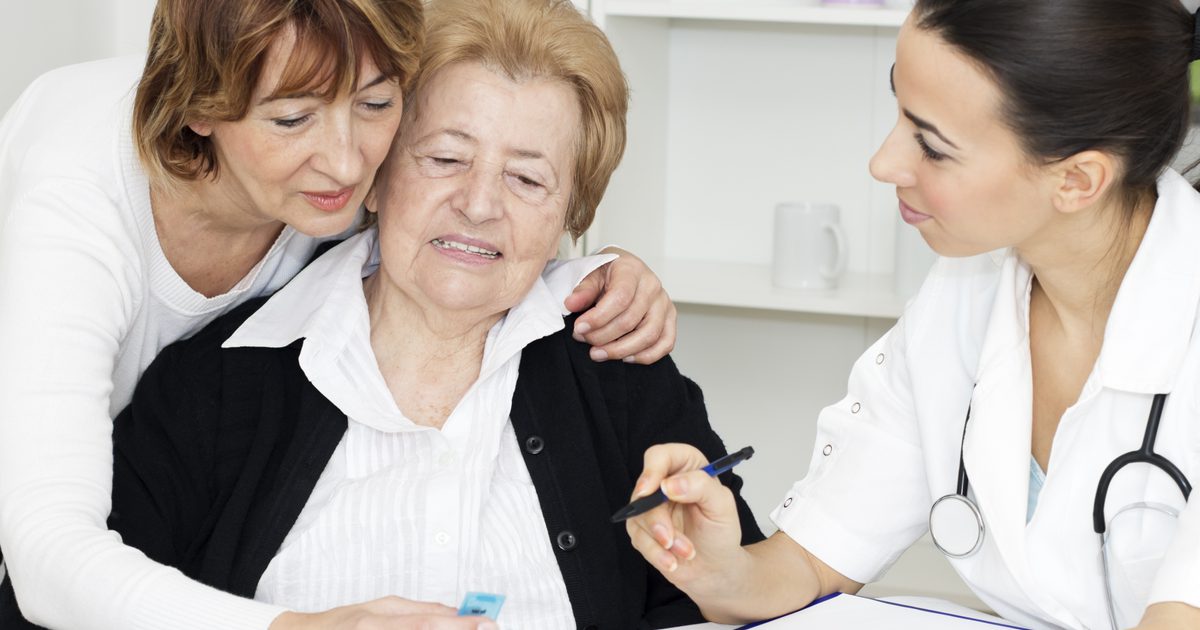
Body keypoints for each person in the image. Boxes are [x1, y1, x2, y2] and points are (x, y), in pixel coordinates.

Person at [2, 0, 763, 628]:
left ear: (571, 210)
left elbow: (741, 600)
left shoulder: (619, 372)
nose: (479, 204)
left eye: (529, 180)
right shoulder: (210, 387)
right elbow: (53, 580)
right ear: (383, 175)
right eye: (444, 158)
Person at [625, 1, 1200, 629]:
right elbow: (811, 564)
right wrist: (717, 568)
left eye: (931, 145)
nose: (884, 163)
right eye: (898, 109)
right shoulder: (960, 301)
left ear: (1077, 181)